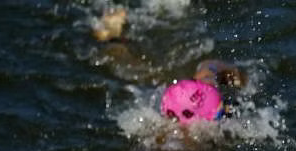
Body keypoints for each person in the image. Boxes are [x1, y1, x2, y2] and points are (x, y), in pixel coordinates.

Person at [92, 5, 247, 125]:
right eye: (221, 115)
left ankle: (113, 39)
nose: (227, 114)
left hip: (163, 90)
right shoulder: (164, 147)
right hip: (158, 93)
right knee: (129, 67)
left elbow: (208, 66)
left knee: (139, 70)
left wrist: (232, 77)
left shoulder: (202, 93)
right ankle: (109, 38)